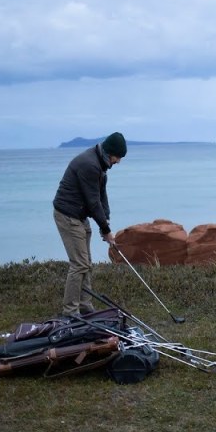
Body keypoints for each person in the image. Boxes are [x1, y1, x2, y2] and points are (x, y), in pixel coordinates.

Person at [53, 132, 127, 317]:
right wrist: (106, 230)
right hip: (68, 215)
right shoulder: (89, 165)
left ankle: (85, 306)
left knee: (86, 264)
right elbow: (93, 202)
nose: (118, 162)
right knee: (79, 264)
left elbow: (102, 197)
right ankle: (70, 311)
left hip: (80, 215)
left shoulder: (101, 166)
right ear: (109, 153)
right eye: (118, 157)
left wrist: (106, 221)